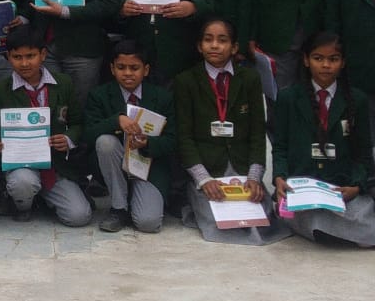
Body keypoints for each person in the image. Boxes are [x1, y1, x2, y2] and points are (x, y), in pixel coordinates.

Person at [172, 17, 285, 244]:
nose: (214, 45)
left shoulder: (250, 78)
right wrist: (204, 179)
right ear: (199, 46)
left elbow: (257, 132)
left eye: (222, 40)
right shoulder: (186, 81)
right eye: (208, 40)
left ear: (234, 47)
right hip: (207, 168)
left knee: (262, 221)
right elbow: (184, 136)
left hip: (242, 167)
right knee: (218, 220)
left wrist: (254, 177)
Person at [0, 25, 92, 226]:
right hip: (20, 165)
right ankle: (24, 205)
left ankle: (44, 198)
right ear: (8, 57)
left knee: (79, 216)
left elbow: (77, 122)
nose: (24, 63)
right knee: (22, 182)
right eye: (17, 57)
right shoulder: (1, 90)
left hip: (55, 166)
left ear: (43, 54)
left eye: (30, 56)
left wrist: (68, 139)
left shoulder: (63, 83)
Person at [272, 31, 375, 245]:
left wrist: (356, 186)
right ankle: (333, 233)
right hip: (302, 187)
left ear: (343, 62)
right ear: (306, 60)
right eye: (318, 58)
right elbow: (279, 147)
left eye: (333, 59)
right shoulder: (288, 98)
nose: (326, 65)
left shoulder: (357, 100)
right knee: (305, 215)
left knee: (362, 213)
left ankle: (334, 233)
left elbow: (364, 153)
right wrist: (279, 178)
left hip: (340, 187)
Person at [85, 40, 175, 233]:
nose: (127, 73)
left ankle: (138, 197)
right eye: (121, 67)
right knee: (105, 142)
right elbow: (87, 135)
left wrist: (148, 143)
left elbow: (172, 140)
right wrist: (116, 121)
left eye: (134, 68)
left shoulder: (162, 97)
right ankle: (119, 208)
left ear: (146, 70)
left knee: (148, 223)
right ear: (112, 69)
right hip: (114, 167)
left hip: (148, 167)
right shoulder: (99, 95)